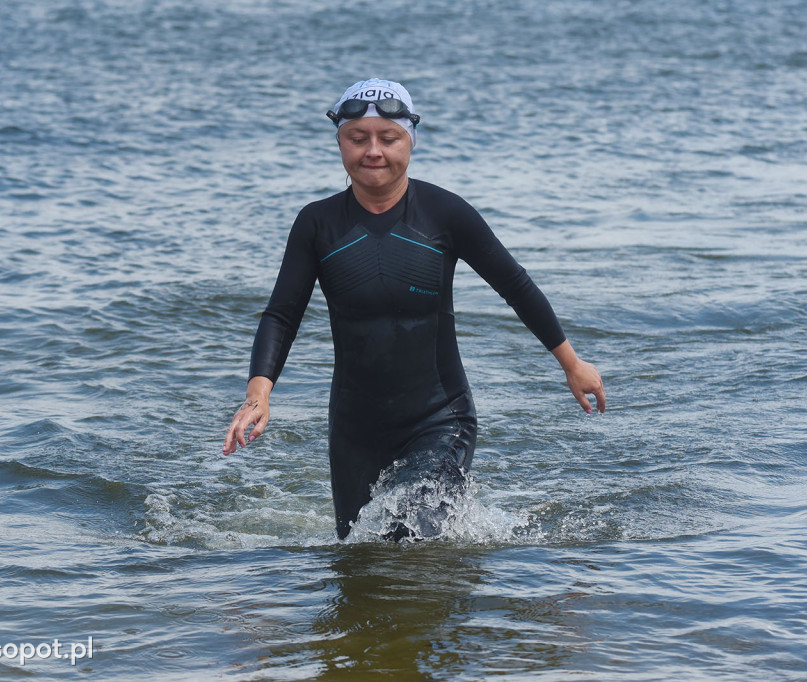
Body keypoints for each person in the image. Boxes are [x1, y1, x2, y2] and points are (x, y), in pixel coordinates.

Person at [223, 78, 605, 541]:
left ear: (411, 140)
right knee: (361, 561)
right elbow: (282, 314)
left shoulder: (445, 214)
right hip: (353, 430)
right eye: (357, 138)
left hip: (440, 418)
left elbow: (515, 285)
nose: (373, 151)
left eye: (389, 138)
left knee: (411, 535)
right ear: (340, 142)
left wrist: (571, 363)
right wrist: (258, 395)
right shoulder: (316, 224)